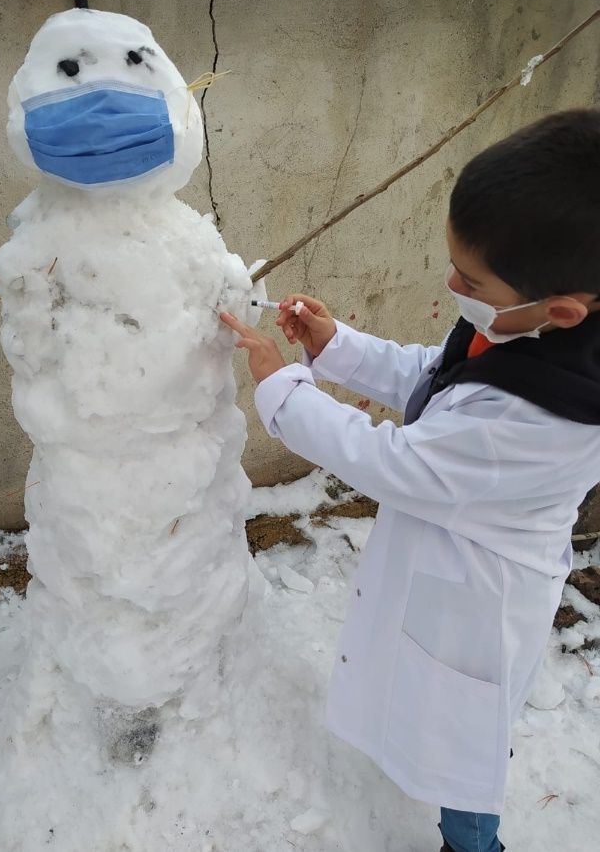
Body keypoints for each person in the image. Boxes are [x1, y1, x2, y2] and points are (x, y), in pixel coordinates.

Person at [220, 108, 600, 852]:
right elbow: (437, 379)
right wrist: (338, 348)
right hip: (449, 560)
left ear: (557, 307)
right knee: (440, 718)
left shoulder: (541, 421)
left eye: (470, 276)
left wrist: (284, 390)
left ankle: (471, 842)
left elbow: (396, 463)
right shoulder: (527, 325)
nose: (451, 281)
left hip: (479, 602)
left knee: (464, 744)